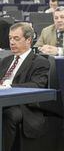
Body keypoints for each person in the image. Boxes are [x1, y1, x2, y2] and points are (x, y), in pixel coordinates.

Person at [0, 22, 49, 151]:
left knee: (7, 115)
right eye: (10, 38)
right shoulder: (5, 60)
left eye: (16, 38)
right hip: (2, 102)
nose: (12, 42)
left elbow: (37, 85)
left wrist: (8, 86)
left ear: (28, 40)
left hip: (24, 107)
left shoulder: (39, 62)